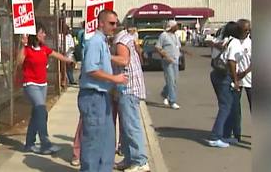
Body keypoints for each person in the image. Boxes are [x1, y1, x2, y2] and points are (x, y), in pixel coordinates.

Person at [78, 9, 127, 172]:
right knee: (93, 142)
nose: (115, 26)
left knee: (107, 141)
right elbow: (91, 69)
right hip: (93, 97)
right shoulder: (95, 42)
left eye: (116, 23)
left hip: (102, 96)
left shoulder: (103, 42)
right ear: (101, 23)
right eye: (112, 23)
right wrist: (115, 79)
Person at [17, 23, 74, 155]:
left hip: (43, 85)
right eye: (42, 32)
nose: (44, 35)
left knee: (37, 113)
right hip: (30, 84)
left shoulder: (43, 48)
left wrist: (69, 60)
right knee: (42, 110)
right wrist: (23, 45)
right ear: (35, 34)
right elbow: (19, 62)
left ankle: (29, 144)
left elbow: (55, 54)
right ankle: (45, 144)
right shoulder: (27, 49)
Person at [111, 24, 150, 172]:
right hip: (126, 88)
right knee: (126, 127)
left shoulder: (121, 41)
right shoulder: (127, 38)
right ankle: (129, 158)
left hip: (129, 88)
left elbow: (123, 60)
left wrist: (106, 55)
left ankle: (140, 161)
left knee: (131, 126)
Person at [207, 21, 243, 148]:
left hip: (216, 73)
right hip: (225, 76)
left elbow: (210, 44)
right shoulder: (235, 43)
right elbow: (231, 61)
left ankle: (224, 135)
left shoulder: (221, 40)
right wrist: (236, 80)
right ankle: (215, 137)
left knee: (226, 105)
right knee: (225, 106)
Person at [155, 20, 190, 109]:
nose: (177, 27)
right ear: (171, 27)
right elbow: (158, 47)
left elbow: (177, 47)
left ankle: (164, 93)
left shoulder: (175, 36)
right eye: (176, 26)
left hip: (176, 61)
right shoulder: (164, 35)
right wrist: (166, 56)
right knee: (171, 81)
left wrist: (185, 52)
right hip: (168, 62)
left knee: (174, 81)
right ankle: (172, 101)